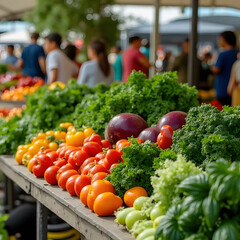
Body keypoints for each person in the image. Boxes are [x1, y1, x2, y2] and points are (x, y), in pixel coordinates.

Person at [211, 31, 239, 106]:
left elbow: (216, 70)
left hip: (223, 89)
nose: (219, 41)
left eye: (220, 39)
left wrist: (212, 62)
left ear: (224, 40)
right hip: (236, 90)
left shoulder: (222, 54)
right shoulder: (238, 52)